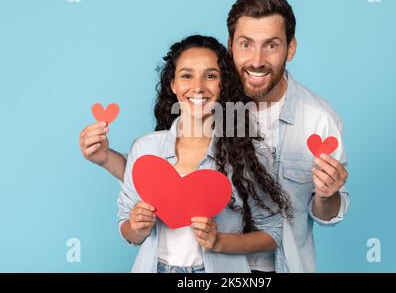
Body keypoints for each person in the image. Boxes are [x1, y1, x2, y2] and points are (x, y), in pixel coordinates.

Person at [80, 0, 349, 272]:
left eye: (271, 45)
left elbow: (316, 216)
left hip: (277, 265)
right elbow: (161, 179)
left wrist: (327, 196)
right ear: (231, 45)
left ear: (290, 48)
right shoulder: (200, 116)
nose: (257, 60)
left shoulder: (319, 119)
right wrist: (106, 158)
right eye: (246, 44)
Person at [85, 35, 292, 273]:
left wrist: (220, 241)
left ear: (223, 84)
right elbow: (128, 230)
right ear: (173, 84)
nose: (198, 87)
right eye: (186, 75)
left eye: (211, 76)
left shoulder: (249, 154)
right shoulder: (145, 149)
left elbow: (273, 232)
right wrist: (136, 227)